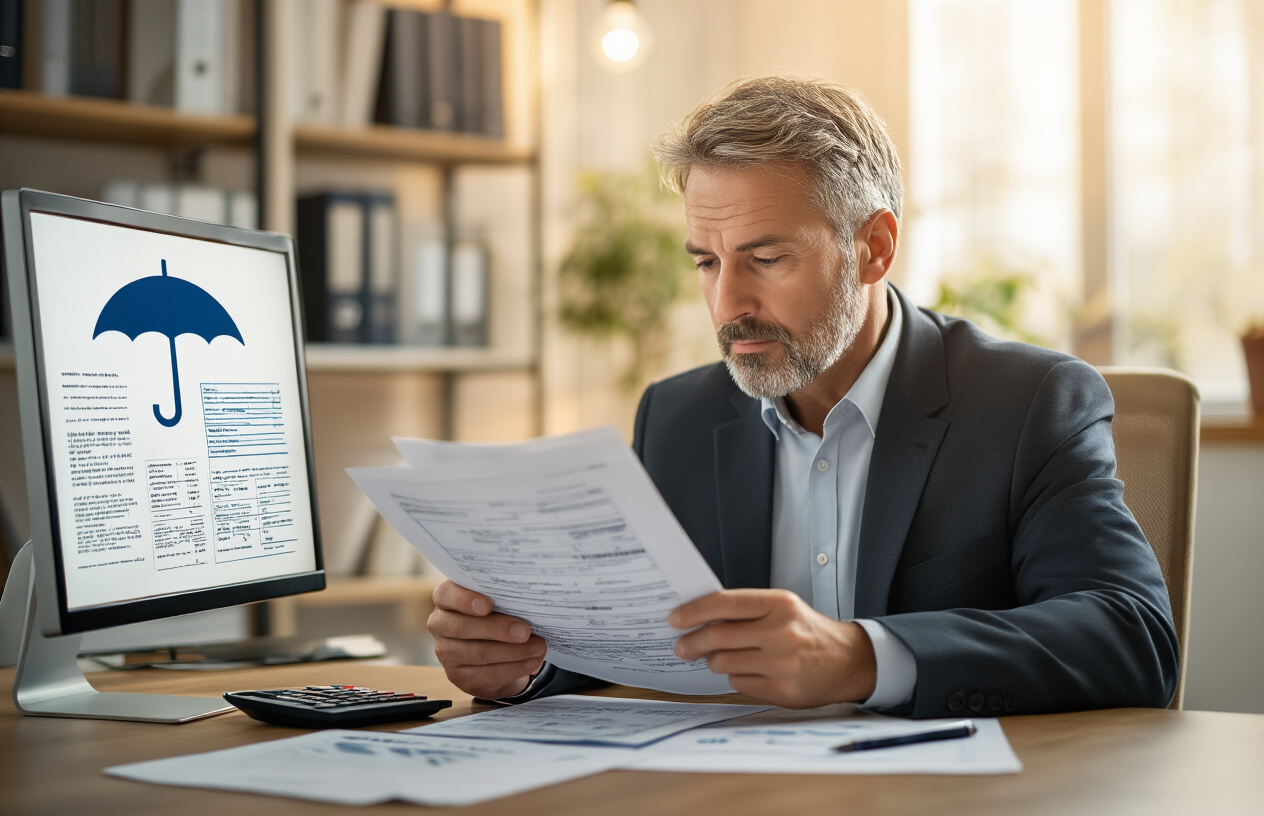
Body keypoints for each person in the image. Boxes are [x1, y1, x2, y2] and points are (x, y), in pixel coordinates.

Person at [427, 76, 1179, 718]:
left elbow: (1132, 636)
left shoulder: (1028, 403)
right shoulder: (678, 418)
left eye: (765, 257)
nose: (727, 303)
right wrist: (522, 662)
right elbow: (636, 638)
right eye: (706, 261)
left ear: (873, 247)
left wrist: (861, 657)